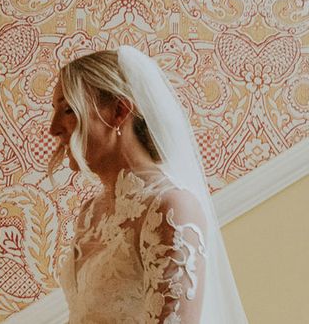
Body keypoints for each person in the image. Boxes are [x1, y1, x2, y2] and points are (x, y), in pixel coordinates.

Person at [49, 46, 248, 323]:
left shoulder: (172, 208)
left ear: (119, 111)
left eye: (69, 109)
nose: (54, 128)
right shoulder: (91, 212)